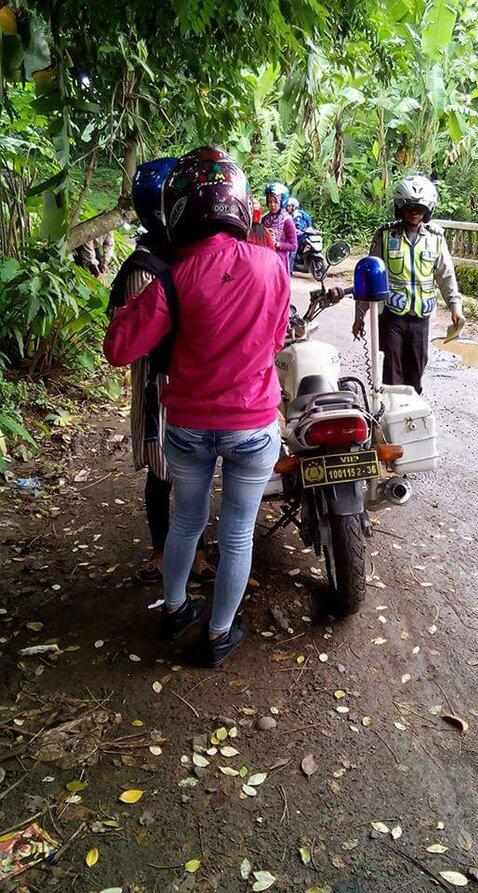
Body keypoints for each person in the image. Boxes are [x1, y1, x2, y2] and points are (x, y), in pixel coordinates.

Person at [104, 147, 290, 668]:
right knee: (236, 531)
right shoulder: (273, 266)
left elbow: (119, 348)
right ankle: (217, 634)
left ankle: (176, 609)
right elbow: (276, 340)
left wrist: (132, 300)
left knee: (186, 521)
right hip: (252, 424)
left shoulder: (172, 276)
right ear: (239, 202)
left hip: (186, 425)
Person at [107, 158, 213, 585]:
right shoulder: (144, 267)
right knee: (161, 470)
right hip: (159, 386)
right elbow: (140, 342)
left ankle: (198, 553)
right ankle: (159, 551)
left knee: (193, 472)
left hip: (189, 382)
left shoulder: (183, 255)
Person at [352, 174, 465, 394]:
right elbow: (369, 278)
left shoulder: (435, 238)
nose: (415, 213)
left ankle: (413, 416)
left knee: (416, 370)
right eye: (410, 207)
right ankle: (392, 417)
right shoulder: (385, 236)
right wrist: (359, 316)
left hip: (421, 318)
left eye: (421, 208)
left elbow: (446, 275)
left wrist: (455, 307)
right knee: (392, 372)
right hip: (392, 316)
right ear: (400, 207)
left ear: (428, 210)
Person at [262, 182, 298, 274]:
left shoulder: (287, 220)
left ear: (281, 202)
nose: (273, 205)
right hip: (265, 260)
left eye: (275, 202)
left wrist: (277, 244)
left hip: (280, 262)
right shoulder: (265, 219)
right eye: (270, 202)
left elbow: (293, 246)